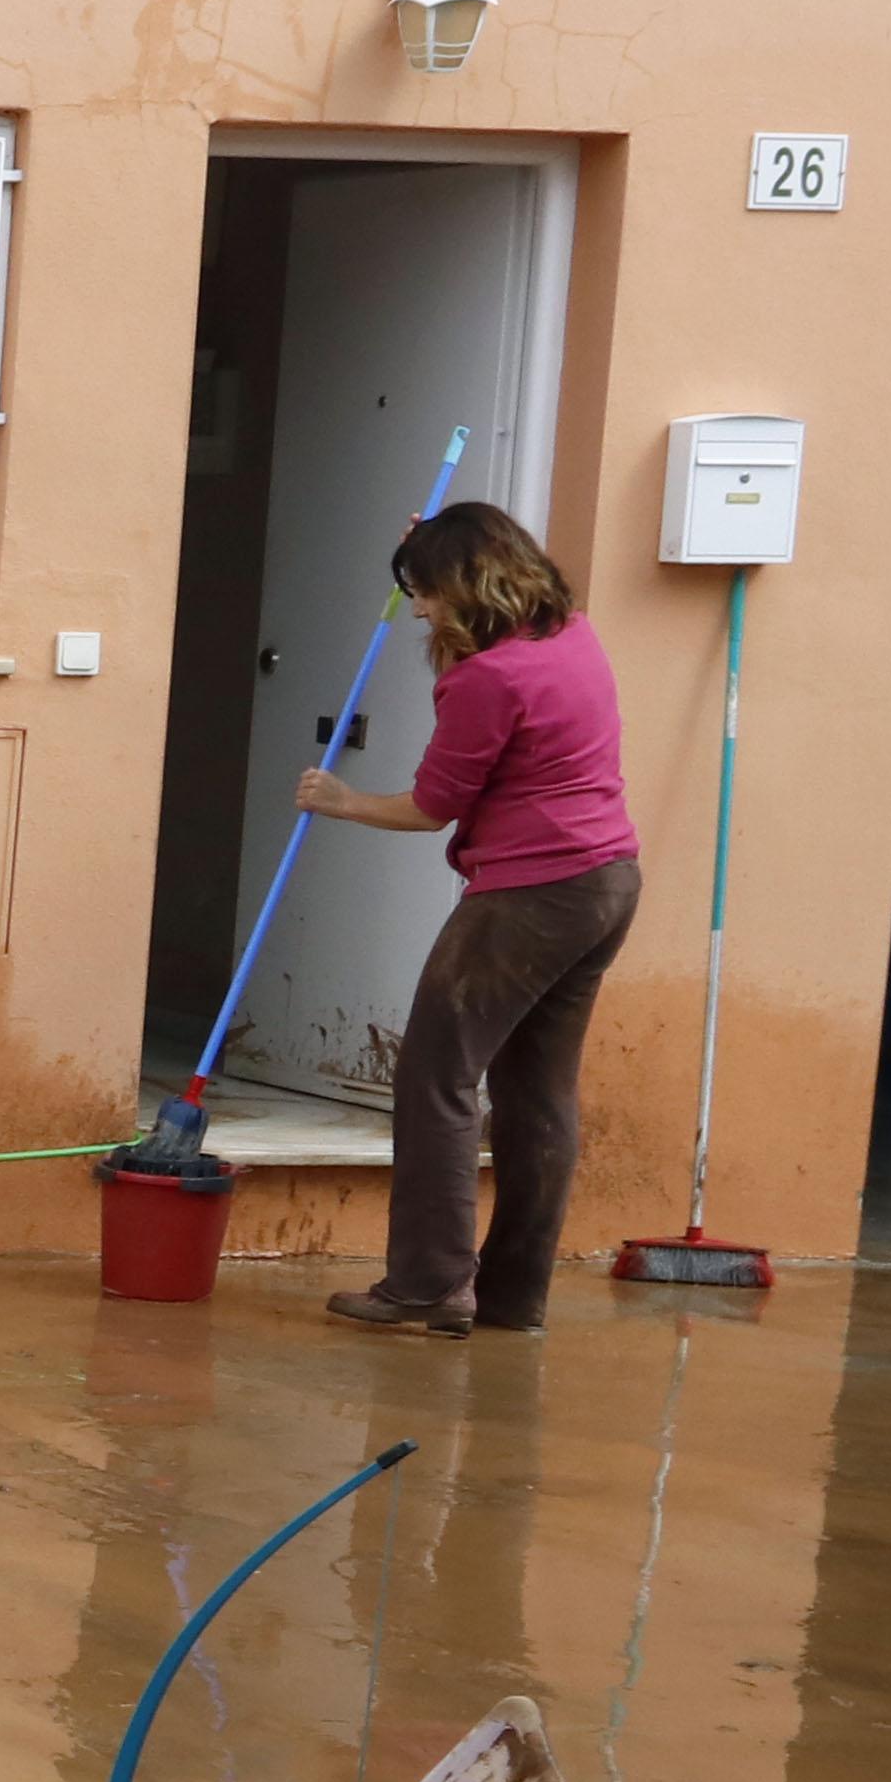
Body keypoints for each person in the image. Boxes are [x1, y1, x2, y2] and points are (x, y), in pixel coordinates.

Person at [290, 500, 641, 1336]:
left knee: (434, 1074)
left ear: (466, 585)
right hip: (607, 882)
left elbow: (431, 807)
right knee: (535, 1091)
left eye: (425, 592)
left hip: (530, 895)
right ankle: (512, 1299)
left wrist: (340, 800)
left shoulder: (487, 680)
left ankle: (429, 1283)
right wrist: (421, 546)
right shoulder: (569, 636)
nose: (417, 609)